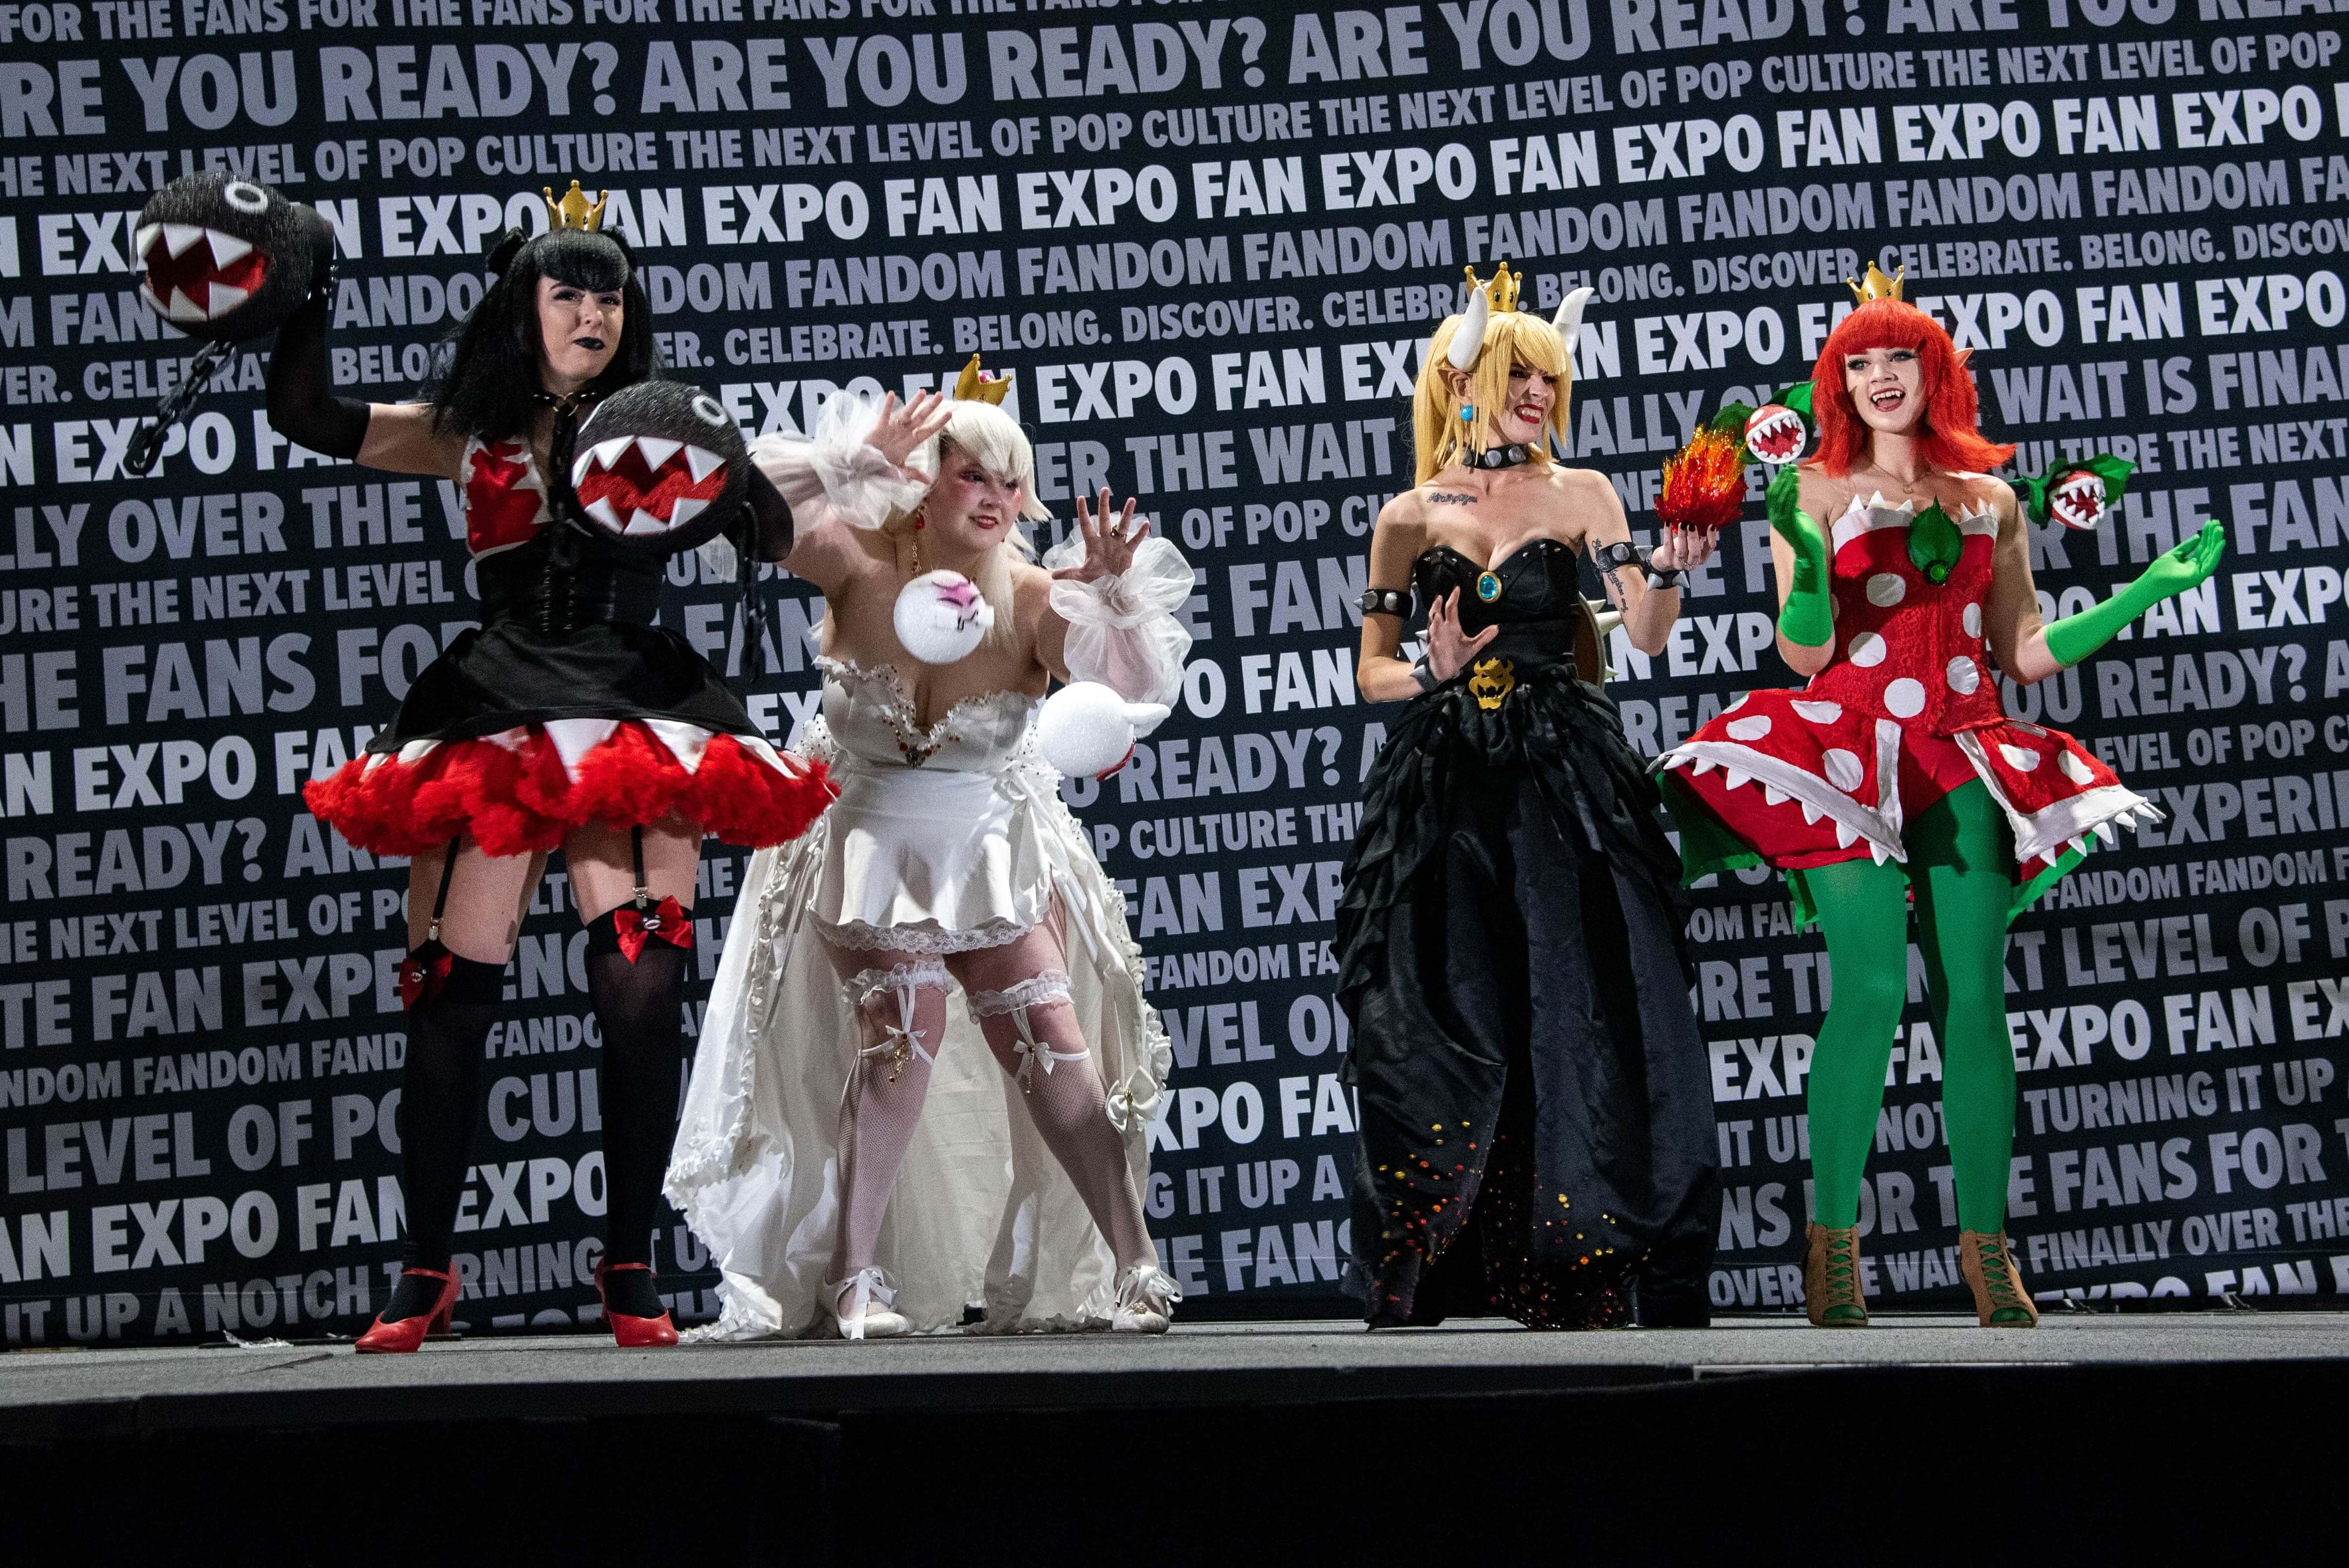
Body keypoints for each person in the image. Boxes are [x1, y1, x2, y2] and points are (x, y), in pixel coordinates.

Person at [264, 183, 833, 1351]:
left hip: (636, 699)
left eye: (610, 295)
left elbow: (773, 541)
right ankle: (425, 1265)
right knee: (445, 989)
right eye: (569, 292)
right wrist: (307, 286)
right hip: (499, 699)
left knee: (640, 985)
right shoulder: (467, 426)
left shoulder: (664, 422)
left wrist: (721, 455)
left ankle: (629, 1257)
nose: (594, 313)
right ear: (522, 305)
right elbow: (309, 411)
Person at [1656, 265, 2226, 1328]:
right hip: (1846, 750)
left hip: (1965, 751)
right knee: (1869, 988)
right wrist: (1814, 558)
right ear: (1837, 381)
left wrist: (2147, 590)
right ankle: (1831, 1248)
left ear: (1935, 373)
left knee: (1976, 996)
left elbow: (2024, 650)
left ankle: (1988, 1250)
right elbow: (1802, 646)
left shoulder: (1991, 499)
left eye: (1898, 357)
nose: (1880, 377)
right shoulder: (1812, 492)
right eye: (1858, 362)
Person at [666, 361, 1188, 1338]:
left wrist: (1113, 596)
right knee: (901, 1037)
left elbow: (1122, 697)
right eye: (972, 475)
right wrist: (849, 464)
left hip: (987, 842)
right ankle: (855, 1279)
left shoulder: (1036, 596)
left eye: (1009, 481)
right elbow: (737, 501)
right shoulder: (857, 556)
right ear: (929, 480)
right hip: (867, 835)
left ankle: (1136, 1264)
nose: (994, 499)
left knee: (1054, 1048)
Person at [1336, 266, 1724, 1330]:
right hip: (1443, 783)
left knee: (1580, 996)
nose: (1541, 394)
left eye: (1550, 377)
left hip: (1565, 776)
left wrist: (1675, 567)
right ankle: (1432, 1255)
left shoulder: (1587, 491)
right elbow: (1373, 672)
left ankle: (1579, 1252)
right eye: (1521, 375)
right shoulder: (1410, 512)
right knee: (1440, 1007)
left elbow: (1643, 633)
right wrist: (1434, 669)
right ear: (1459, 383)